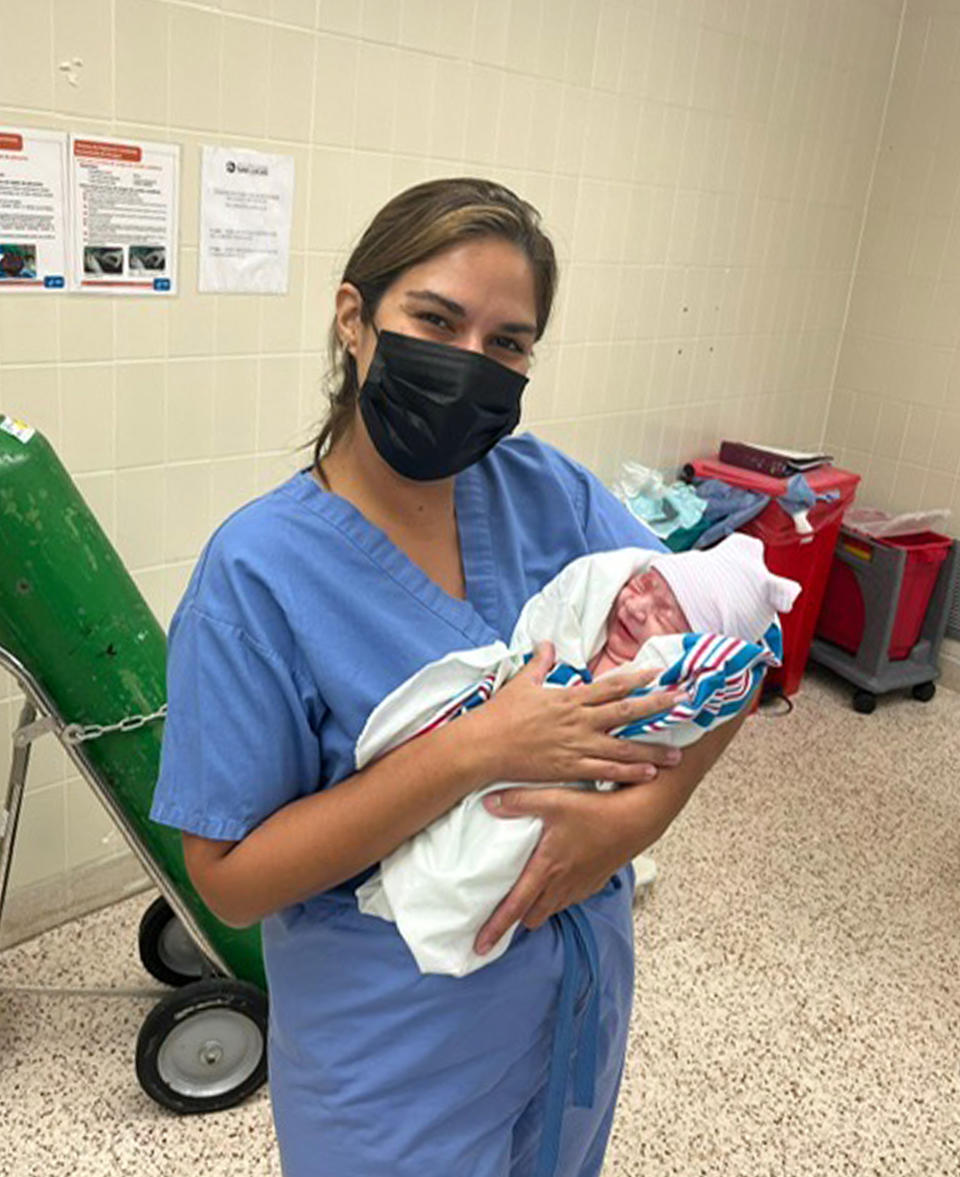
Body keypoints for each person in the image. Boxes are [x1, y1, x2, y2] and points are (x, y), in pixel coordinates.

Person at [149, 178, 756, 1177]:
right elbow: (229, 880)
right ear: (356, 320)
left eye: (507, 344)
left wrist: (637, 823)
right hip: (394, 1047)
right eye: (436, 319)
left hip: (570, 1001)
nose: (469, 363)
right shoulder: (256, 576)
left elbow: (730, 651)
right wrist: (479, 748)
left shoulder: (547, 492)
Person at [355, 533, 801, 977]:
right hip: (378, 964)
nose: (637, 607)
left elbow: (749, 656)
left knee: (482, 861)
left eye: (665, 613)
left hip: (574, 941)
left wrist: (642, 814)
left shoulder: (657, 673)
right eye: (643, 586)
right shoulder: (595, 604)